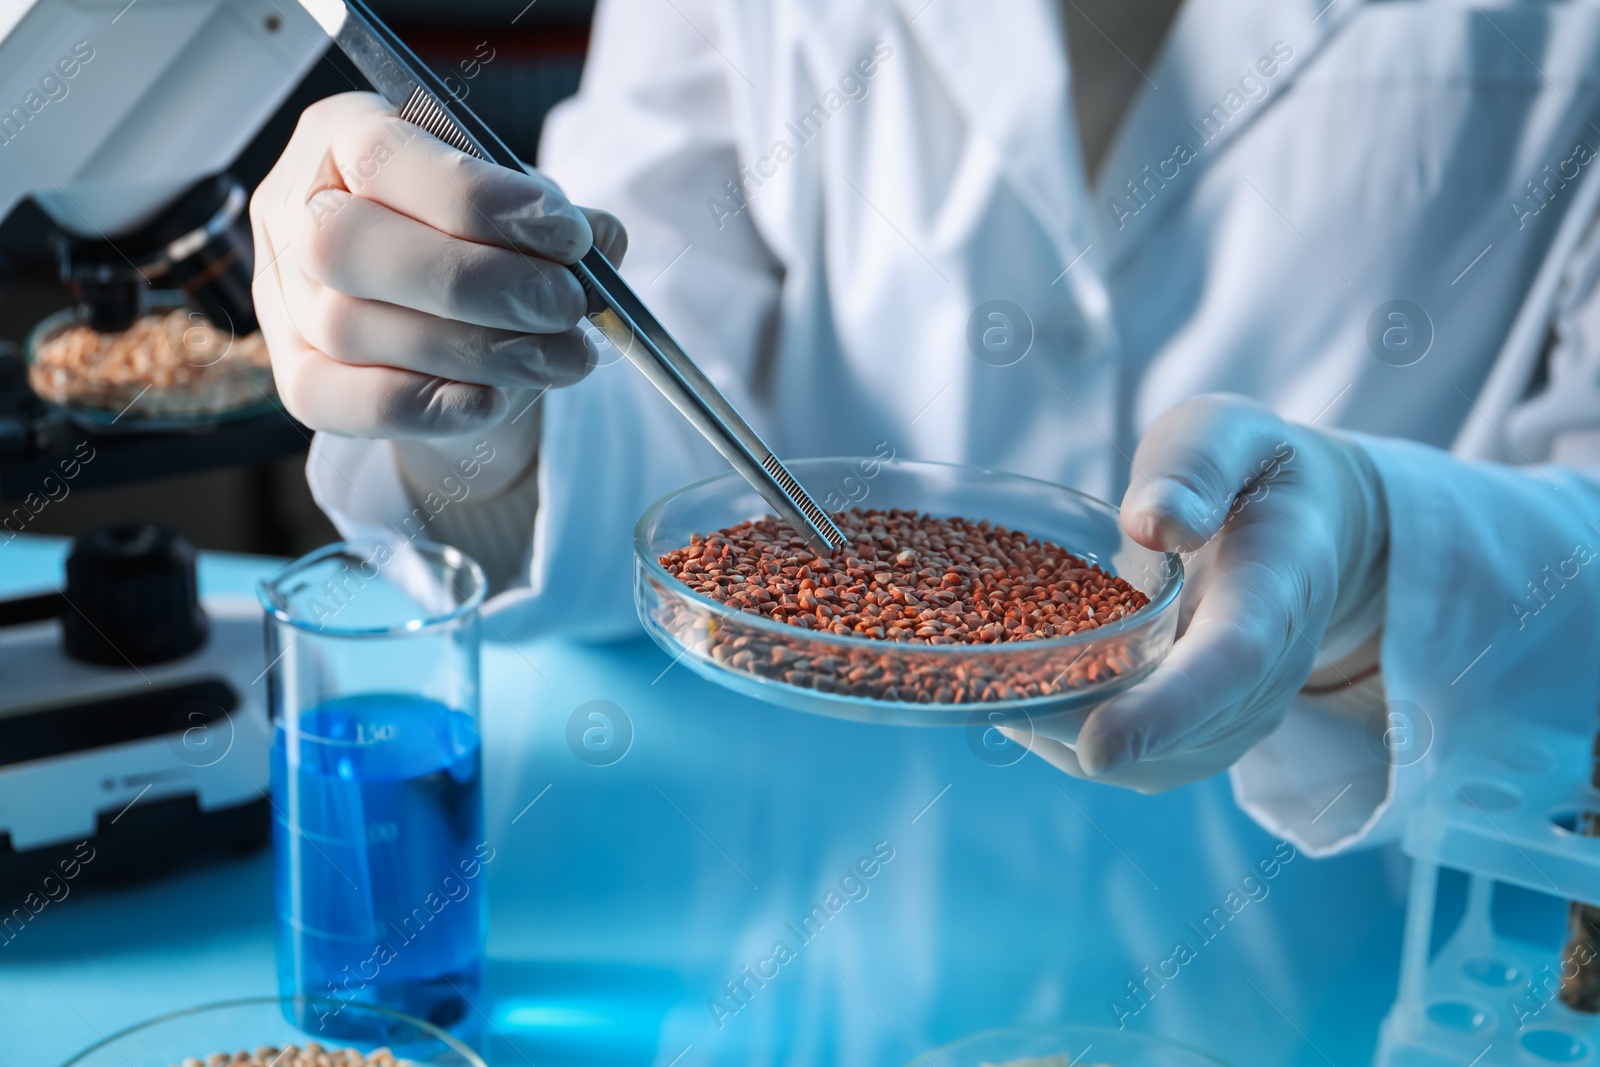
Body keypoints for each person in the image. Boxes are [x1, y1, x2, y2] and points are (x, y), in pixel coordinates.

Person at [249, 0, 1600, 1057]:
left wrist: (1383, 568)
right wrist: (479, 398)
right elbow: (656, 343)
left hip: (1344, 943)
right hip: (809, 951)